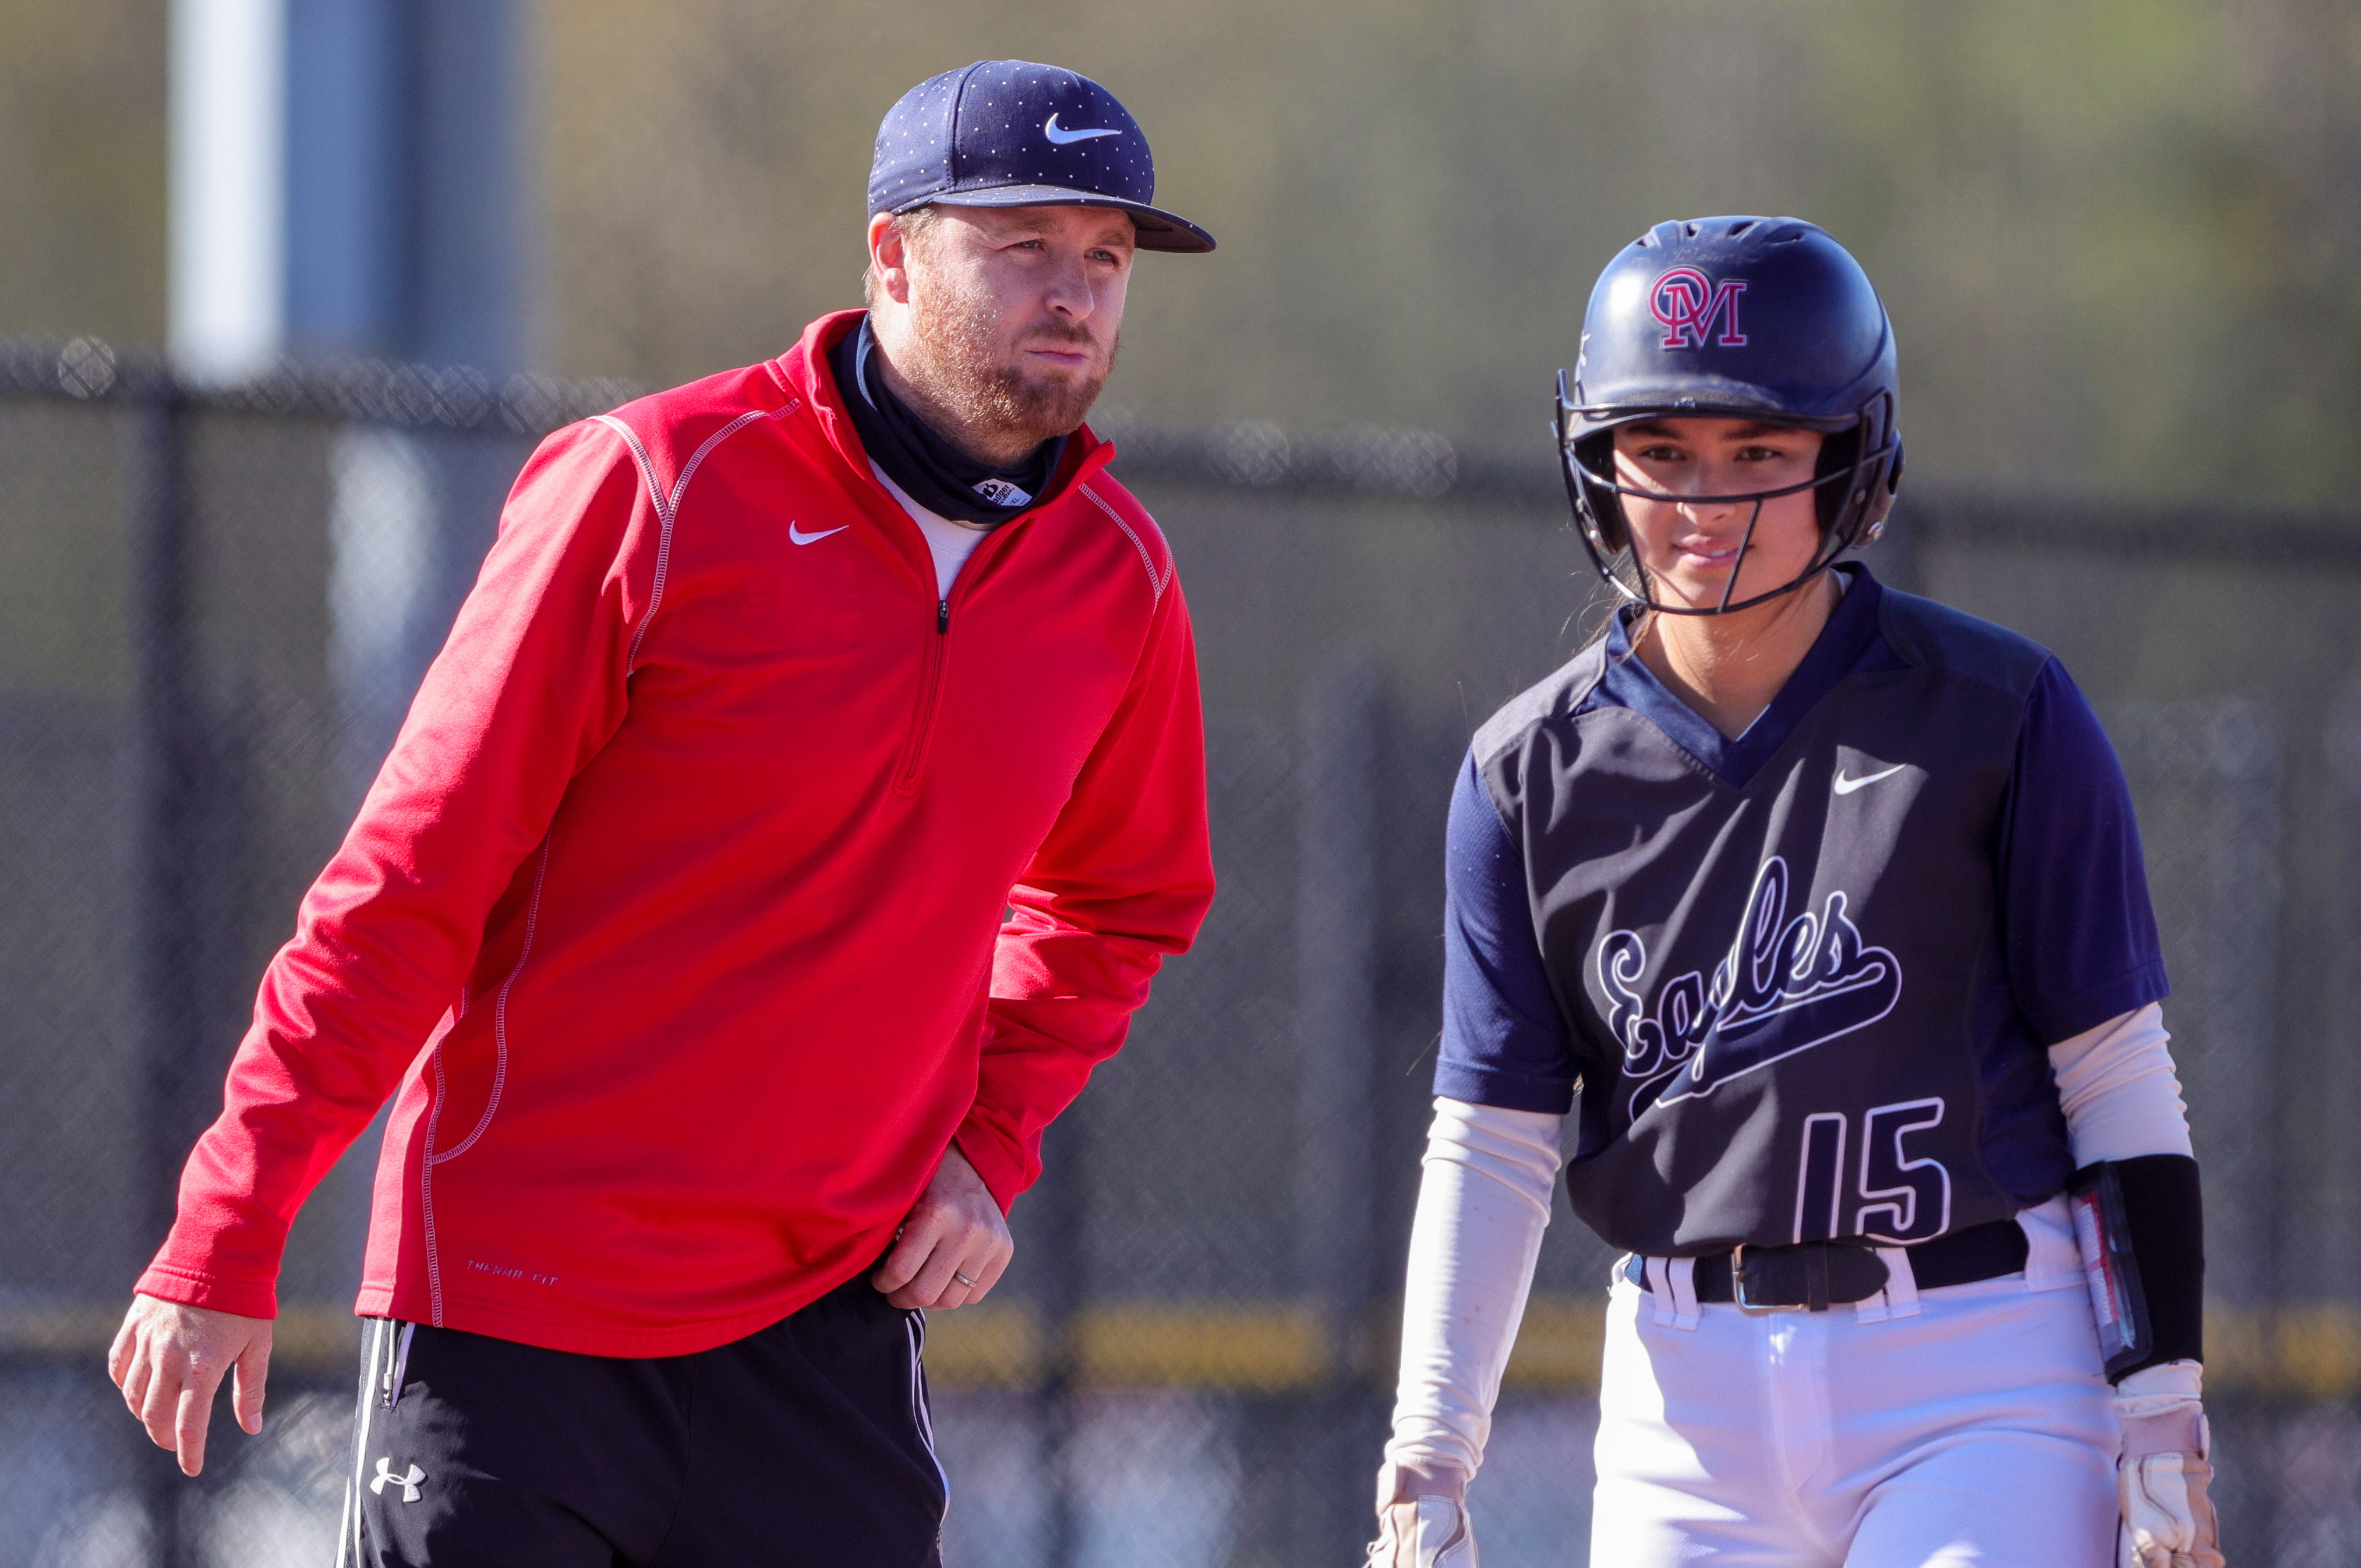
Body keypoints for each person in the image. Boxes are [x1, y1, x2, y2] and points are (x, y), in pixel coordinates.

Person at [107, 59, 1217, 1567]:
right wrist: (230, 1219)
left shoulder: (1115, 576)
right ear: (889, 255)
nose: (1074, 292)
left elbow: (1121, 902)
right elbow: (408, 881)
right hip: (510, 1307)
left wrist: (986, 1136)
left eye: (1103, 257)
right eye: (1021, 244)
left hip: (821, 1325)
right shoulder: (656, 484)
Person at [1366, 217, 2224, 1568]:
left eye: (1758, 453)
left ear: (1851, 465)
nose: (1704, 502)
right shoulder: (1528, 774)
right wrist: (1429, 1449)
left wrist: (2160, 1405)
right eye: (1659, 451)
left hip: (1980, 1364)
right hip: (1680, 1394)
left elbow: (2115, 1077)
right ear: (1595, 465)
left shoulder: (1993, 713)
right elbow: (1492, 1143)